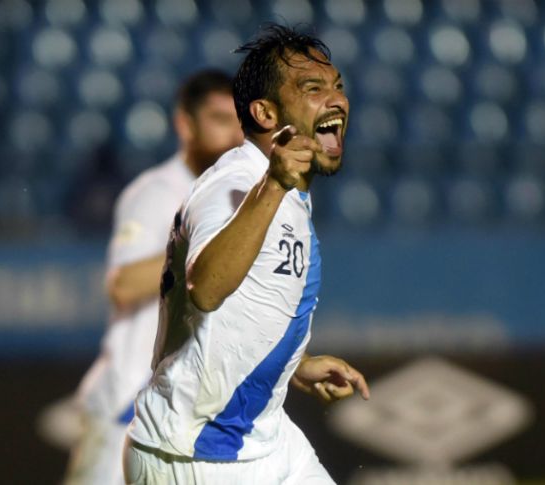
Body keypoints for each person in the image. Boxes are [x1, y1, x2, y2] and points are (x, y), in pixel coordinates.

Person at [122, 23, 370, 484]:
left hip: (264, 435)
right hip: (198, 456)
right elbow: (207, 287)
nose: (335, 99)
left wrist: (295, 362)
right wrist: (273, 185)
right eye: (313, 88)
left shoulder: (283, 185)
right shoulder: (236, 182)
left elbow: (249, 302)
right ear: (265, 113)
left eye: (337, 86)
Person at [62, 69, 244, 485]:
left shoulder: (242, 197)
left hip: (193, 410)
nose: (233, 135)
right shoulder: (157, 192)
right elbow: (124, 285)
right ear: (186, 124)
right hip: (129, 406)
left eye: (239, 122)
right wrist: (204, 245)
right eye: (219, 120)